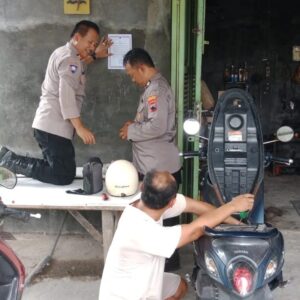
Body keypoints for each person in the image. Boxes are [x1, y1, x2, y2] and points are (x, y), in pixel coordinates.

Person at [98, 170, 254, 300]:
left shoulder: (144, 201)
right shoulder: (140, 229)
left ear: (142, 187)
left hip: (142, 279)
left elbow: (198, 207)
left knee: (179, 286)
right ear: (171, 202)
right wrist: (233, 205)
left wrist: (238, 224)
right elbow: (195, 230)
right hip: (123, 295)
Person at [0, 20, 112, 185]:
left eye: (95, 44)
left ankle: (8, 159)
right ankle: (10, 161)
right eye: (90, 42)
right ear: (76, 37)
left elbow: (79, 66)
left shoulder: (67, 55)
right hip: (53, 128)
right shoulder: (69, 59)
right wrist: (80, 128)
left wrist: (95, 55)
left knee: (62, 171)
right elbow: (66, 96)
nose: (92, 46)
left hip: (53, 127)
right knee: (63, 175)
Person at [119, 48, 182, 270]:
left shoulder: (156, 89)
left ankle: (167, 272)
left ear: (142, 67)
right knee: (160, 219)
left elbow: (157, 125)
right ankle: (163, 268)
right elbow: (150, 120)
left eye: (131, 74)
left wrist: (131, 131)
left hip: (159, 168)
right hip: (155, 164)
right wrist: (133, 126)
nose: (132, 79)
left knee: (163, 220)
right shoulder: (152, 88)